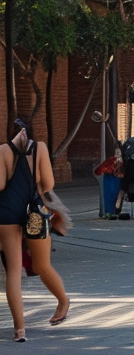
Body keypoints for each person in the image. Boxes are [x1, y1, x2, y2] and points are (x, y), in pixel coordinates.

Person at [0, 120, 71, 341]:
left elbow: (0, 185)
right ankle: (63, 301)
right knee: (42, 265)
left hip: (7, 212)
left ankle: (19, 330)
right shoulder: (39, 148)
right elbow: (48, 183)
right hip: (34, 214)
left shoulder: (2, 150)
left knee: (13, 270)